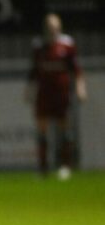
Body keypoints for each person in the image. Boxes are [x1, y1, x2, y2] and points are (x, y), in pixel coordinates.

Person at [25, 13, 87, 180]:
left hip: (61, 93)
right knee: (42, 129)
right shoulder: (39, 46)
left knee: (64, 130)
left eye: (55, 26)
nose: (52, 30)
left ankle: (65, 166)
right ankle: (43, 169)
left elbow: (76, 70)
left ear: (59, 27)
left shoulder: (66, 45)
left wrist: (80, 88)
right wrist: (29, 90)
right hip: (44, 94)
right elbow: (33, 72)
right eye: (49, 26)